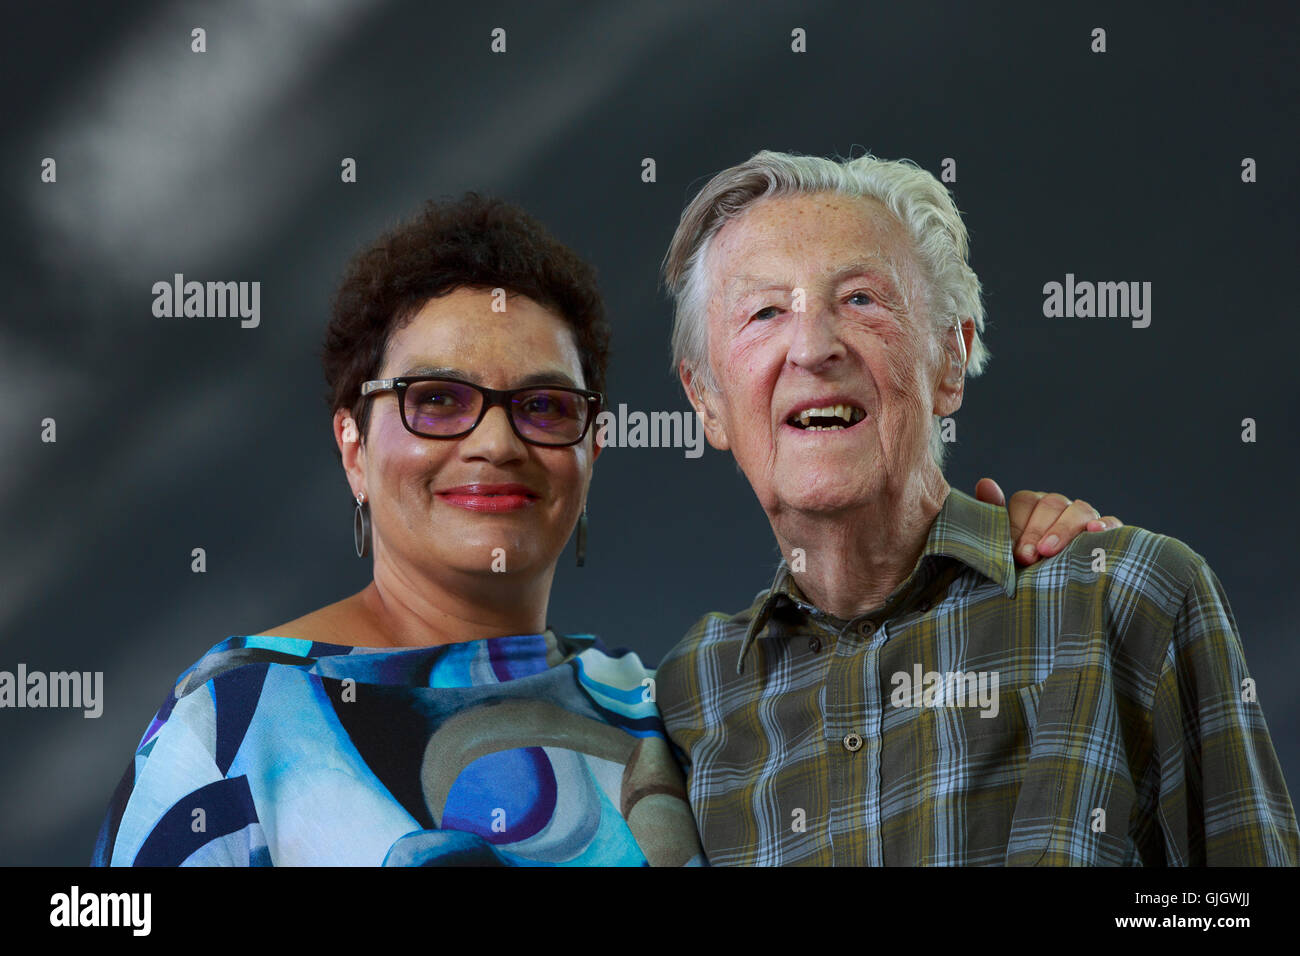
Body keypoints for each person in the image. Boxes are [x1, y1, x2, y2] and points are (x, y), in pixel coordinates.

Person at [91, 193, 1112, 867]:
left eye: (543, 406)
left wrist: (992, 542)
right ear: (355, 444)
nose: (494, 442)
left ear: (590, 448)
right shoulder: (233, 731)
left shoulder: (655, 704)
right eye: (438, 400)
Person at [655, 149, 1299, 865]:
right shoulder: (689, 695)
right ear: (707, 402)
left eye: (861, 299)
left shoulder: (1127, 598)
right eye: (765, 310)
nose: (811, 346)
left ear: (950, 361)